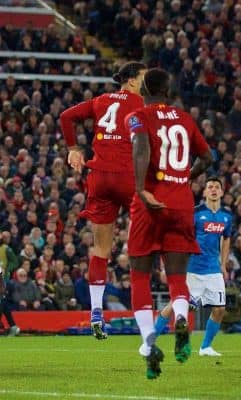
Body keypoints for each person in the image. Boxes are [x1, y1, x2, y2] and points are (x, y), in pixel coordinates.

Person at [126, 68, 213, 379]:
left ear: (145, 88)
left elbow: (141, 148)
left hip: (150, 205)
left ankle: (149, 344)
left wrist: (141, 189)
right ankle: (180, 318)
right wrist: (185, 178)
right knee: (177, 277)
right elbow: (208, 157)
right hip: (181, 205)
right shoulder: (186, 119)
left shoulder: (137, 116)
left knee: (139, 277)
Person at [59, 61, 147, 339]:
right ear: (131, 81)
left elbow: (65, 117)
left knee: (100, 248)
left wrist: (73, 148)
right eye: (144, 78)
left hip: (99, 177)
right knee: (146, 240)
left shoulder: (100, 100)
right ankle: (149, 309)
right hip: (127, 176)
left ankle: (96, 310)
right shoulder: (141, 104)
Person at [154, 176, 232, 357]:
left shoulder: (226, 217)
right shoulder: (195, 213)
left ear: (221, 192)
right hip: (193, 269)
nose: (213, 189)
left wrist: (223, 263)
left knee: (219, 309)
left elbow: (227, 238)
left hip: (214, 270)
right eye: (210, 187)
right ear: (204, 192)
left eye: (216, 187)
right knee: (177, 305)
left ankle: (205, 347)